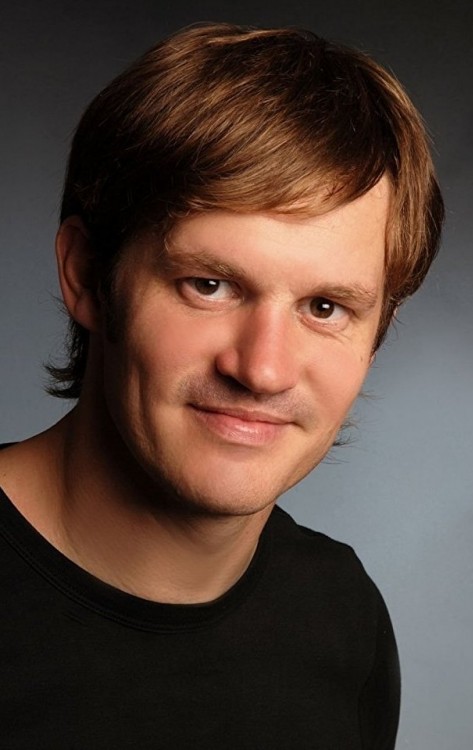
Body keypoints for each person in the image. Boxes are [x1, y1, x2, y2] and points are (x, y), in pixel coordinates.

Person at [0, 22, 443, 749]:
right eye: (208, 285)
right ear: (87, 276)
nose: (262, 369)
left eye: (325, 307)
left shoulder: (342, 618)